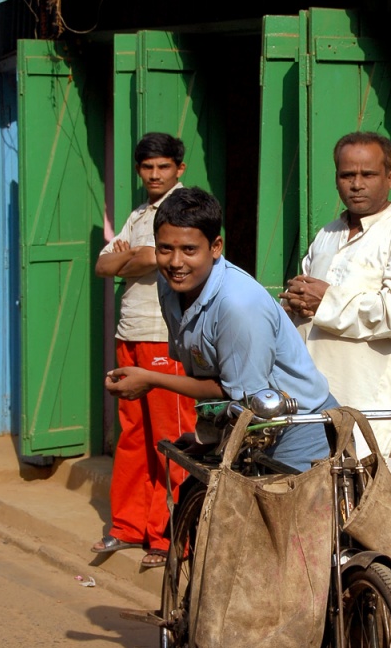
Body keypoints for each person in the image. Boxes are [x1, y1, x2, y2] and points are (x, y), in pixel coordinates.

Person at [104, 186, 337, 474]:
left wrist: (151, 379)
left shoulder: (238, 304)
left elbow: (238, 393)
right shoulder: (171, 284)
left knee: (288, 517)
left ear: (216, 247)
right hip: (253, 424)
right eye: (166, 249)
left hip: (297, 427)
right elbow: (209, 375)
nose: (176, 262)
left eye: (189, 250)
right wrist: (209, 437)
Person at [280, 131, 391, 522]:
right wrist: (295, 303)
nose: (356, 183)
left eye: (368, 173)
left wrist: (327, 301)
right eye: (346, 174)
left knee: (378, 523)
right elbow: (306, 300)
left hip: (377, 407)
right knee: (325, 522)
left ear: (390, 177)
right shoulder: (327, 235)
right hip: (321, 404)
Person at [92, 133, 196, 567]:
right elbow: (103, 266)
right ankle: (129, 526)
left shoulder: (184, 209)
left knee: (170, 438)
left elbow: (159, 259)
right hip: (129, 334)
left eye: (163, 167)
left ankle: (170, 536)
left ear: (179, 169)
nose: (154, 174)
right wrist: (137, 256)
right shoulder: (138, 214)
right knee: (133, 435)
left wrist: (133, 258)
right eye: (147, 167)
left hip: (164, 335)